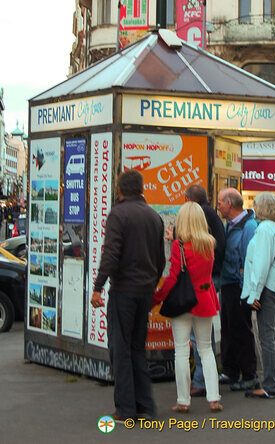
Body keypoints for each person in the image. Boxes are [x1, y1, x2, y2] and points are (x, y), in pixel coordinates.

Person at [91, 169, 165, 422]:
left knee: (120, 348)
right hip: (145, 290)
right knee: (137, 348)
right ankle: (145, 406)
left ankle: (125, 409)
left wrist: (98, 286)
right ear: (141, 188)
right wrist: (151, 283)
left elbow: (111, 254)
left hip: (124, 290)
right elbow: (160, 259)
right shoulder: (154, 216)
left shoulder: (118, 214)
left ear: (120, 190)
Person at [153, 201, 223, 413]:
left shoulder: (179, 246)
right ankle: (213, 398)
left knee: (182, 351)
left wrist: (157, 297)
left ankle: (183, 400)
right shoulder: (209, 243)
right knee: (206, 349)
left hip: (183, 302)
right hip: (205, 299)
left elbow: (174, 277)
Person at [240, 192, 275, 399]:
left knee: (266, 336)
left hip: (267, 288)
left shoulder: (263, 230)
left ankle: (269, 385)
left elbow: (261, 265)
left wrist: (254, 294)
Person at [183, 184, 226, 398]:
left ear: (189, 200)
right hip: (211, 279)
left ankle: (200, 381)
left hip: (203, 281)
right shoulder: (211, 214)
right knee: (204, 333)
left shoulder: (201, 215)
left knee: (197, 335)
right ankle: (208, 381)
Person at [217, 188, 258, 391]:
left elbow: (248, 259)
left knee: (241, 330)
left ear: (229, 204)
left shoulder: (247, 227)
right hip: (228, 284)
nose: (218, 207)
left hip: (238, 286)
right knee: (228, 328)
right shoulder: (230, 226)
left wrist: (245, 290)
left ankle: (249, 374)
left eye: (220, 203)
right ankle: (230, 370)